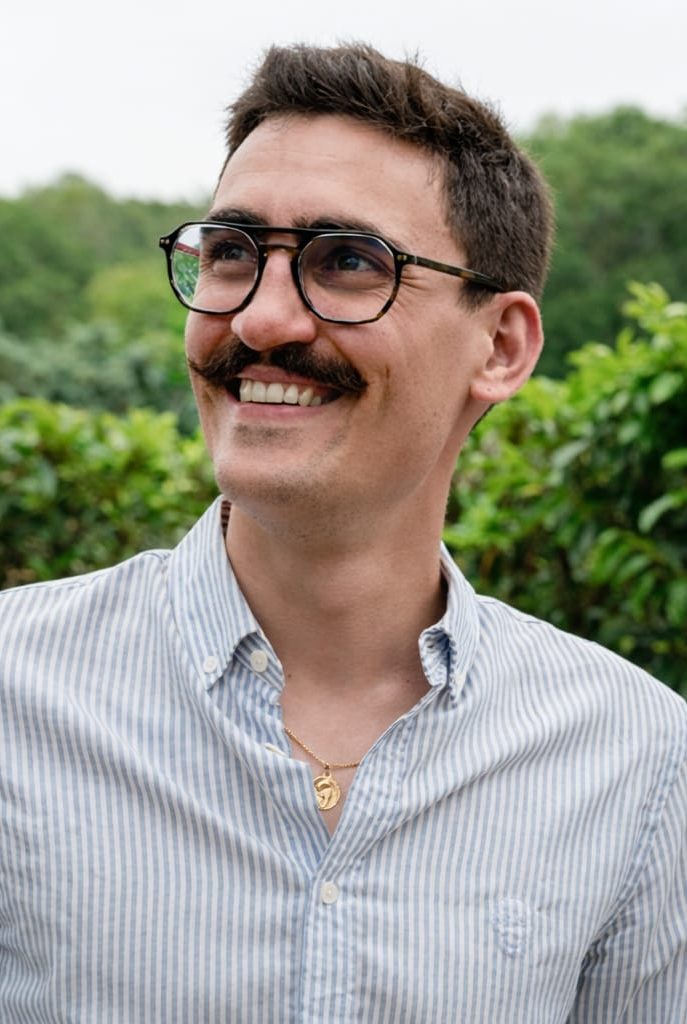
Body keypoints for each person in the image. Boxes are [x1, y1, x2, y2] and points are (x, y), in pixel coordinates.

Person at [1, 43, 685, 1023]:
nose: (263, 319)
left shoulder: (636, 760)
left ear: (500, 346)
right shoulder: (14, 697)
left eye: (349, 262)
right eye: (232, 253)